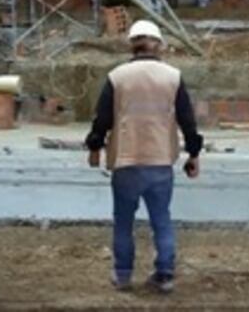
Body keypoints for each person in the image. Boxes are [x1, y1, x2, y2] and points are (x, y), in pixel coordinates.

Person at [85, 20, 203, 294]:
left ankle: (123, 275)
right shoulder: (173, 76)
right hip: (160, 161)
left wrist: (94, 148)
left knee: (123, 222)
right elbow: (187, 120)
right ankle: (165, 275)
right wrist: (194, 154)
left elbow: (102, 119)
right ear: (158, 44)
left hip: (125, 161)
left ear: (132, 44)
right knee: (161, 220)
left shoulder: (117, 77)